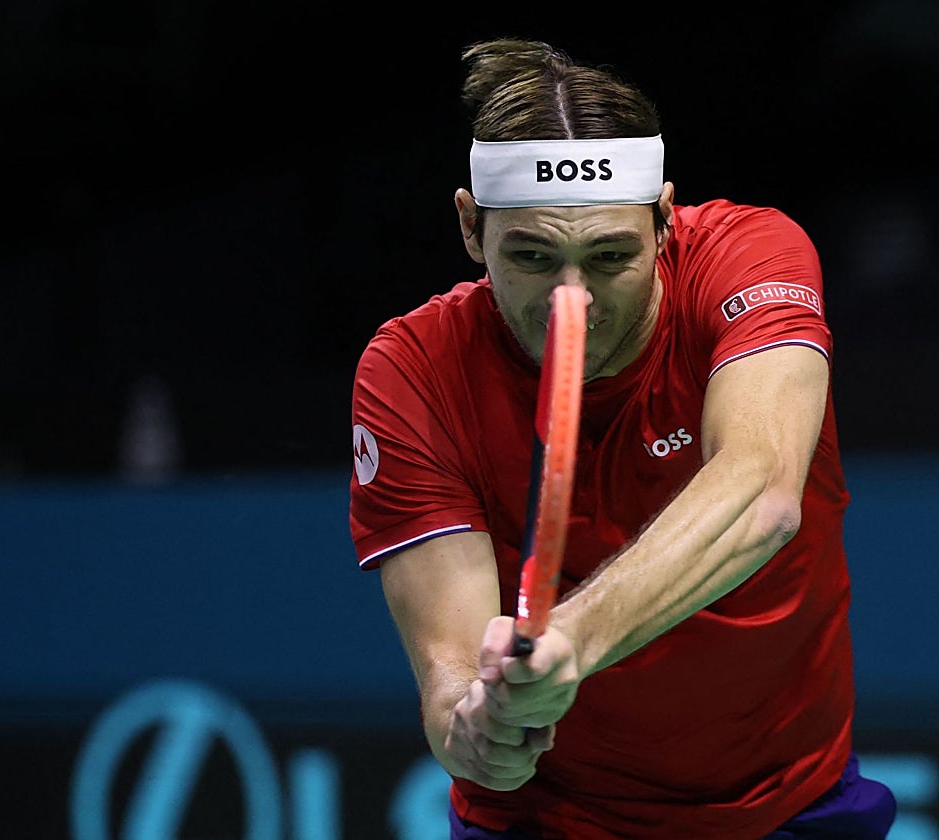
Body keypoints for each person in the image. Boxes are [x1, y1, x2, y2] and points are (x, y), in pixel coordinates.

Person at [347, 37, 897, 839]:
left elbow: (762, 488)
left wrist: (568, 638)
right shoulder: (414, 369)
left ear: (666, 221)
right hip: (543, 822)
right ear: (471, 227)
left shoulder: (749, 258)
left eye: (610, 257)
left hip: (789, 803)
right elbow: (452, 680)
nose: (575, 299)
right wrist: (480, 734)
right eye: (531, 255)